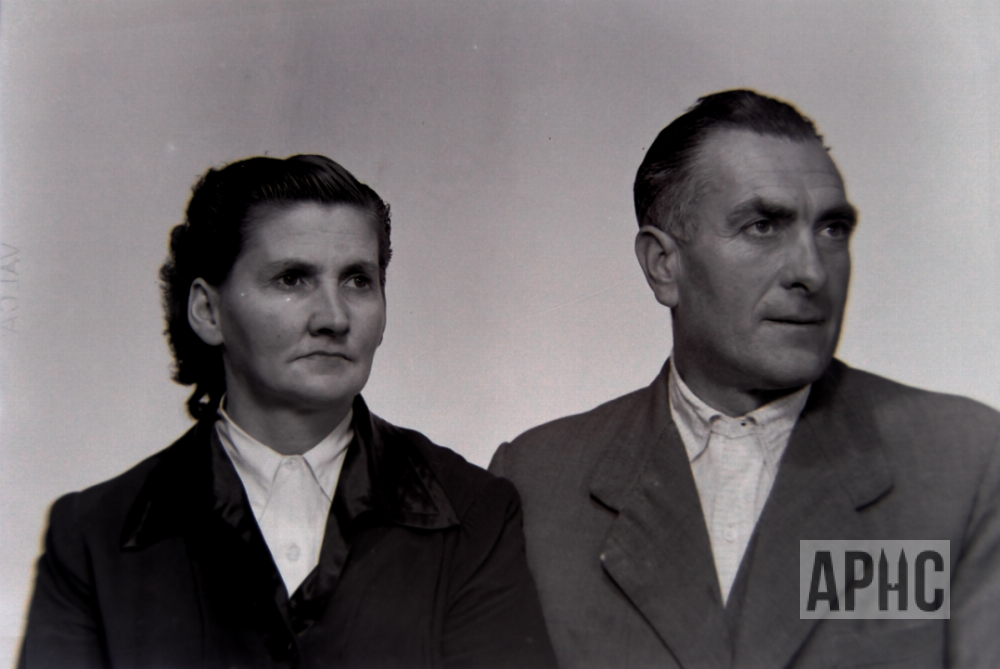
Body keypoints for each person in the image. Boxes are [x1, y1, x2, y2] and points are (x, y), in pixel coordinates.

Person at [490, 90, 1000, 668]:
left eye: (832, 229)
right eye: (763, 226)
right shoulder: (535, 483)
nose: (812, 271)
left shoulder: (963, 464)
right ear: (663, 265)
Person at [21, 155, 555, 669]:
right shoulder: (91, 537)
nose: (334, 318)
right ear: (208, 312)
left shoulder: (475, 512)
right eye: (292, 279)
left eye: (358, 280)